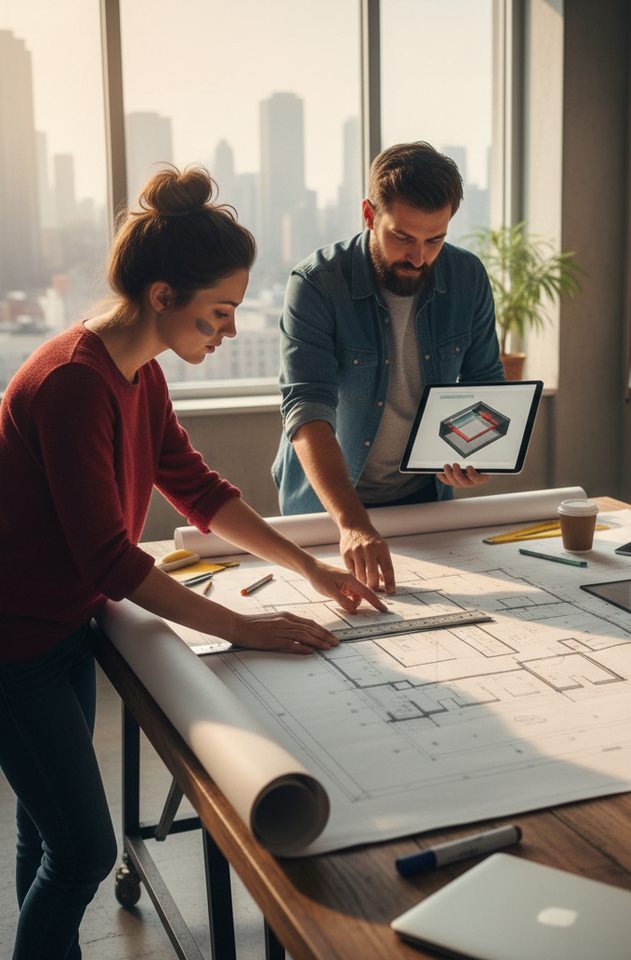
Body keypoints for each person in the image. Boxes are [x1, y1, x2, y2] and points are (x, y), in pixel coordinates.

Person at [0, 165, 386, 960]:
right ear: (163, 295)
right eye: (221, 312)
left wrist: (309, 567)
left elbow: (197, 489)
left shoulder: (136, 371)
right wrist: (243, 628)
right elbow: (110, 559)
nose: (230, 331)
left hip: (61, 627)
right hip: (15, 643)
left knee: (44, 837)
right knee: (81, 854)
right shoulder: (77, 381)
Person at [271, 142, 505, 595]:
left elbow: (485, 384)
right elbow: (305, 410)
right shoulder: (316, 284)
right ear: (368, 214)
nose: (419, 257)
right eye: (403, 237)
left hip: (423, 503)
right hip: (327, 513)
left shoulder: (468, 276)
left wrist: (479, 454)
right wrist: (354, 523)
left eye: (434, 239)